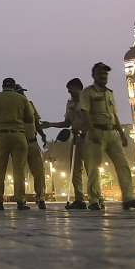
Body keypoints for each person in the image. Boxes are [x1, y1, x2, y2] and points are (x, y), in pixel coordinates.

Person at [80, 62, 135, 211]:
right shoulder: (88, 92)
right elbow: (85, 113)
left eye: (105, 74)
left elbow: (114, 115)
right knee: (94, 168)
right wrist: (91, 131)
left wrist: (122, 134)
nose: (103, 76)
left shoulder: (109, 93)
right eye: (100, 74)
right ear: (94, 75)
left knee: (123, 165)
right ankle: (93, 199)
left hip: (112, 133)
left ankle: (128, 198)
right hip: (96, 133)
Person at [0, 77, 32, 210]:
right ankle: (21, 201)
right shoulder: (22, 99)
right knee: (19, 170)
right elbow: (29, 118)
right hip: (18, 135)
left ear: (2, 86)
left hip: (1, 136)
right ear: (14, 86)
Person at [41, 78, 88, 209]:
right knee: (75, 169)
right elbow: (66, 123)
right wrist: (49, 124)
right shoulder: (70, 104)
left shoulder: (88, 100)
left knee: (91, 169)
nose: (69, 92)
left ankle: (96, 199)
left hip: (89, 138)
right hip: (76, 139)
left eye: (71, 89)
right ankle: (79, 199)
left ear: (78, 88)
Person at [14, 84, 48, 209]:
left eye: (23, 92)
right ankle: (21, 199)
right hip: (19, 142)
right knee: (19, 173)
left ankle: (41, 197)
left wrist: (42, 135)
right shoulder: (13, 107)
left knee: (39, 171)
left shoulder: (30, 104)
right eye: (20, 92)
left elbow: (36, 123)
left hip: (33, 141)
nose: (22, 94)